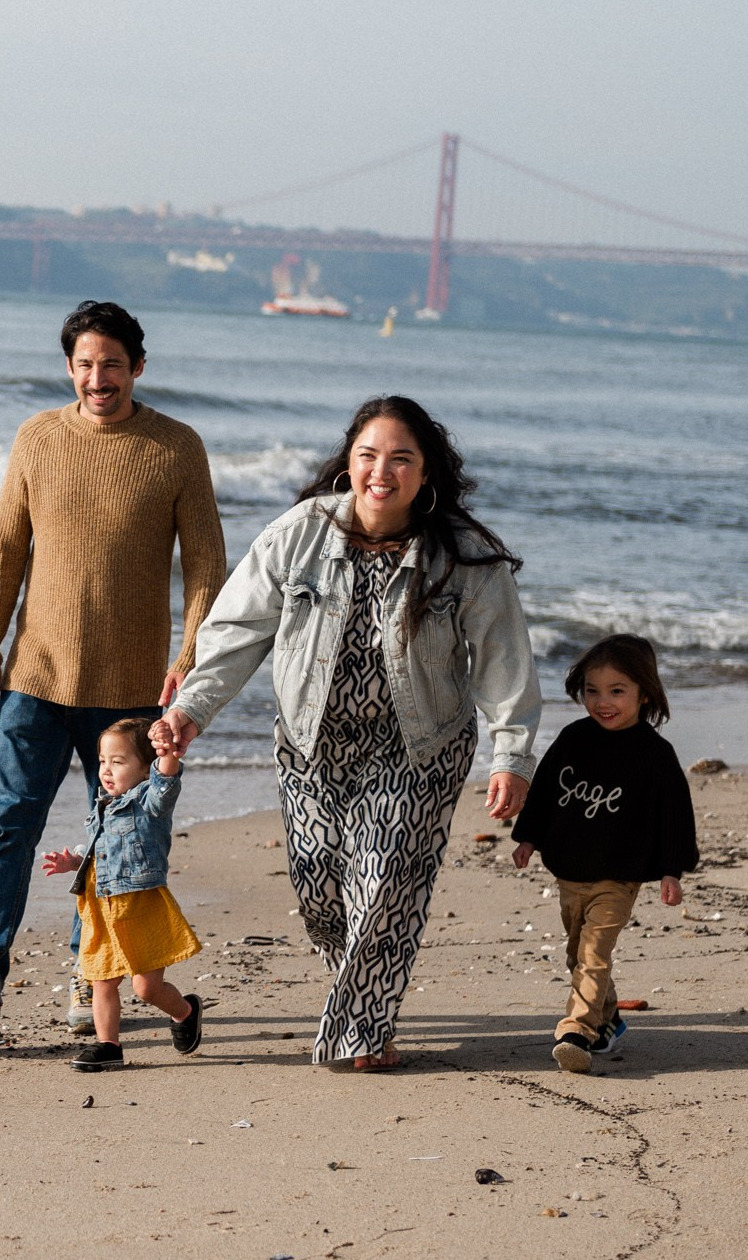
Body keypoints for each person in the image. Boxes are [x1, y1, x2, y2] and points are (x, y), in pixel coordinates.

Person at [164, 396, 540, 1070]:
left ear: (426, 473)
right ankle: (368, 1003)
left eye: (401, 459)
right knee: (320, 891)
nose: (382, 472)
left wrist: (511, 753)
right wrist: (193, 708)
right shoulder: (301, 533)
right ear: (349, 462)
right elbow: (236, 629)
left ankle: (361, 1031)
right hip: (312, 745)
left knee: (387, 880)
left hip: (418, 746)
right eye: (368, 455)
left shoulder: (461, 555)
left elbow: (503, 659)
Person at [0, 300, 227, 1050]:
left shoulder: (176, 447)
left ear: (138, 368)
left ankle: (98, 982)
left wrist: (189, 659)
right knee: (10, 828)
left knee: (117, 846)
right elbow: (3, 554)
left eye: (113, 364)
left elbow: (208, 567)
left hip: (129, 694)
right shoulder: (38, 437)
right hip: (35, 682)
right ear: (69, 368)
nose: (98, 378)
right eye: (85, 364)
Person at [508, 633, 699, 1074]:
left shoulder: (655, 755)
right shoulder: (574, 738)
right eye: (592, 691)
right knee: (578, 954)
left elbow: (674, 817)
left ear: (644, 693)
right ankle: (609, 1020)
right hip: (569, 871)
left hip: (619, 877)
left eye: (617, 691)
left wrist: (672, 871)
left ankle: (576, 1031)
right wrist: (528, 838)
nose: (603, 702)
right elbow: (545, 794)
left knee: (594, 955)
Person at [38, 716, 204, 1072]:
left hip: (138, 905)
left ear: (145, 768)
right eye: (102, 761)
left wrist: (167, 753)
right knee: (102, 979)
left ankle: (185, 1011)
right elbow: (104, 853)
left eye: (119, 761)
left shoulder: (148, 802)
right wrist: (75, 862)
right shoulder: (102, 805)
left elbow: (166, 783)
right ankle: (108, 1045)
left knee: (146, 988)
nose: (107, 770)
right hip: (100, 906)